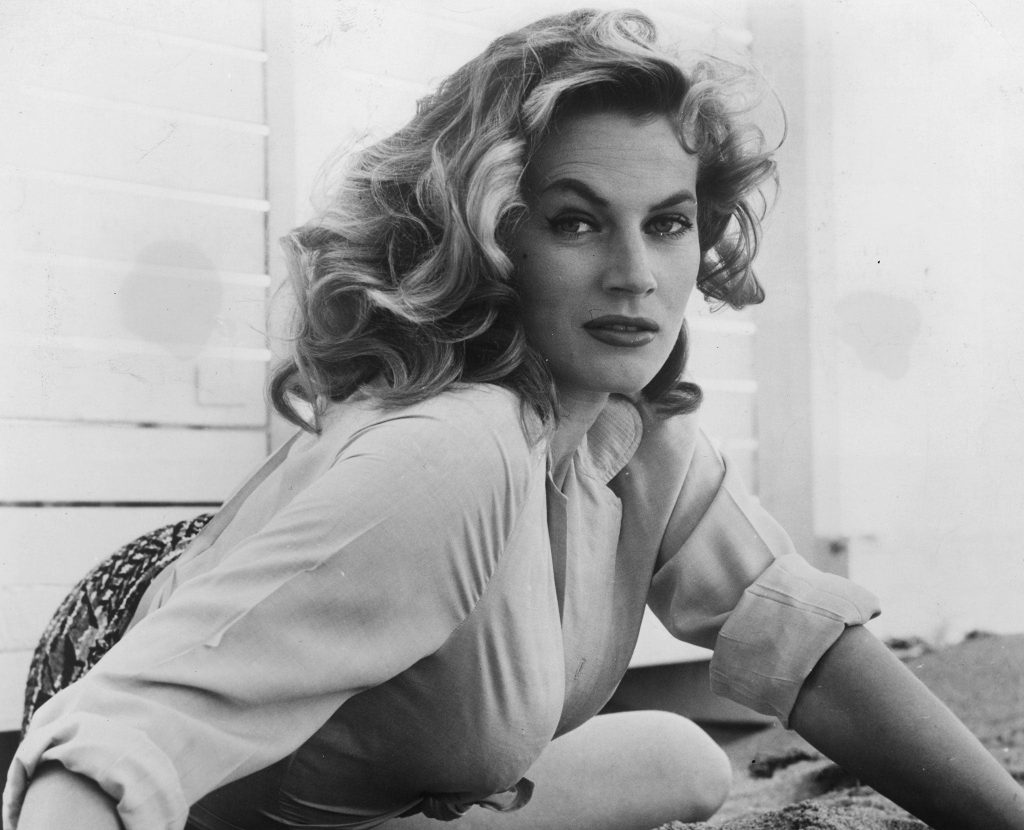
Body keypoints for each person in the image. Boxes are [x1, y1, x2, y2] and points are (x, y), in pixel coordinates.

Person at [5, 9, 1024, 830]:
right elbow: (117, 729)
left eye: (666, 222)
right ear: (492, 234)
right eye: (576, 220)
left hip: (373, 778)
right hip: (129, 649)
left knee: (683, 761)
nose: (635, 273)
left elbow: (812, 652)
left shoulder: (635, 438)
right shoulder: (454, 447)